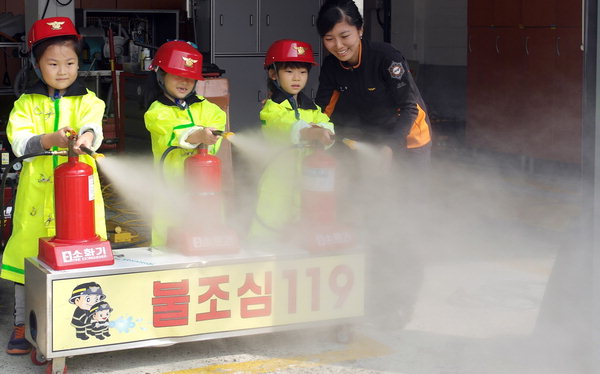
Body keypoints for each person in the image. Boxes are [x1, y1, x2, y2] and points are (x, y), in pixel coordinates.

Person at [315, 0, 427, 328]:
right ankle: (372, 292)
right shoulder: (332, 67)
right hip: (372, 144)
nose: (339, 46)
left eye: (345, 35)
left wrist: (390, 148)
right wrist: (315, 133)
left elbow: (408, 108)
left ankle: (401, 303)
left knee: (401, 220)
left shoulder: (386, 58)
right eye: (329, 39)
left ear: (361, 31)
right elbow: (324, 111)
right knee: (371, 214)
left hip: (408, 144)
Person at [2, 17, 107, 354]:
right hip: (36, 199)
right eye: (53, 63)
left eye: (70, 63)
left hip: (80, 202)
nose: (63, 71)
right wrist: (49, 139)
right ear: (36, 63)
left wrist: (87, 137)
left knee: (80, 258)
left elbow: (93, 127)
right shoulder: (26, 104)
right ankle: (22, 323)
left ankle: (85, 319)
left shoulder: (88, 100)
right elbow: (19, 141)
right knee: (26, 261)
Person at [249, 39, 334, 243]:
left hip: (305, 182)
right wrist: (312, 131)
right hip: (278, 186)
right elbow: (287, 125)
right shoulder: (271, 108)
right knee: (269, 240)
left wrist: (324, 131)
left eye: (303, 72)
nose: (297, 78)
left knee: (300, 242)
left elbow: (327, 125)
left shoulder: (311, 108)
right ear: (273, 73)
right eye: (289, 72)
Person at [144, 40, 226, 246]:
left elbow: (217, 124)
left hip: (206, 192)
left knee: (207, 244)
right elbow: (172, 131)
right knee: (169, 247)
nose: (184, 81)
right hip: (171, 193)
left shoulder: (208, 108)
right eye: (177, 75)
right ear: (161, 75)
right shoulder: (156, 111)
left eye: (190, 77)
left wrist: (207, 136)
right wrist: (198, 134)